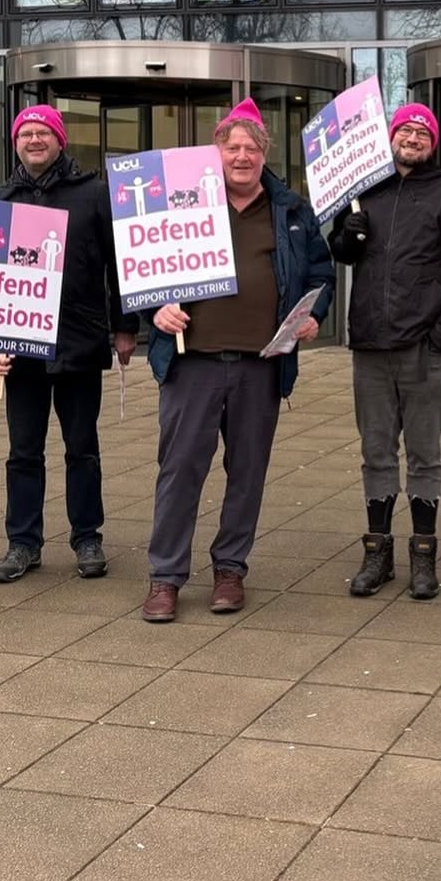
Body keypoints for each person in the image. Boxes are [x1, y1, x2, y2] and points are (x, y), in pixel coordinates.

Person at [142, 98, 333, 622]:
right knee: (180, 472)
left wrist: (314, 315)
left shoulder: (291, 211)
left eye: (252, 148)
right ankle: (165, 576)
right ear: (216, 153)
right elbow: (141, 271)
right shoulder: (182, 204)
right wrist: (154, 312)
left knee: (247, 472)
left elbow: (322, 276)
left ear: (264, 153)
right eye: (232, 148)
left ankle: (230, 569)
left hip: (260, 365)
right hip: (193, 363)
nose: (242, 156)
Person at [0, 105, 139, 583]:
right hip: (22, 347)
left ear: (60, 140)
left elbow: (119, 265)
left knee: (83, 448)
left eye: (42, 132)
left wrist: (125, 327)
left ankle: (87, 537)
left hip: (79, 340)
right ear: (16, 142)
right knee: (23, 451)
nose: (34, 140)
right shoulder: (0, 199)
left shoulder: (94, 194)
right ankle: (22, 543)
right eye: (26, 133)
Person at [329, 103, 441, 600]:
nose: (412, 137)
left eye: (421, 132)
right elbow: (343, 254)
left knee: (425, 454)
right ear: (391, 137)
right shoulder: (364, 189)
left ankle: (424, 555)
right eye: (405, 130)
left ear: (432, 144)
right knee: (375, 451)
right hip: (370, 341)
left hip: (423, 346)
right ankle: (378, 553)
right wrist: (345, 237)